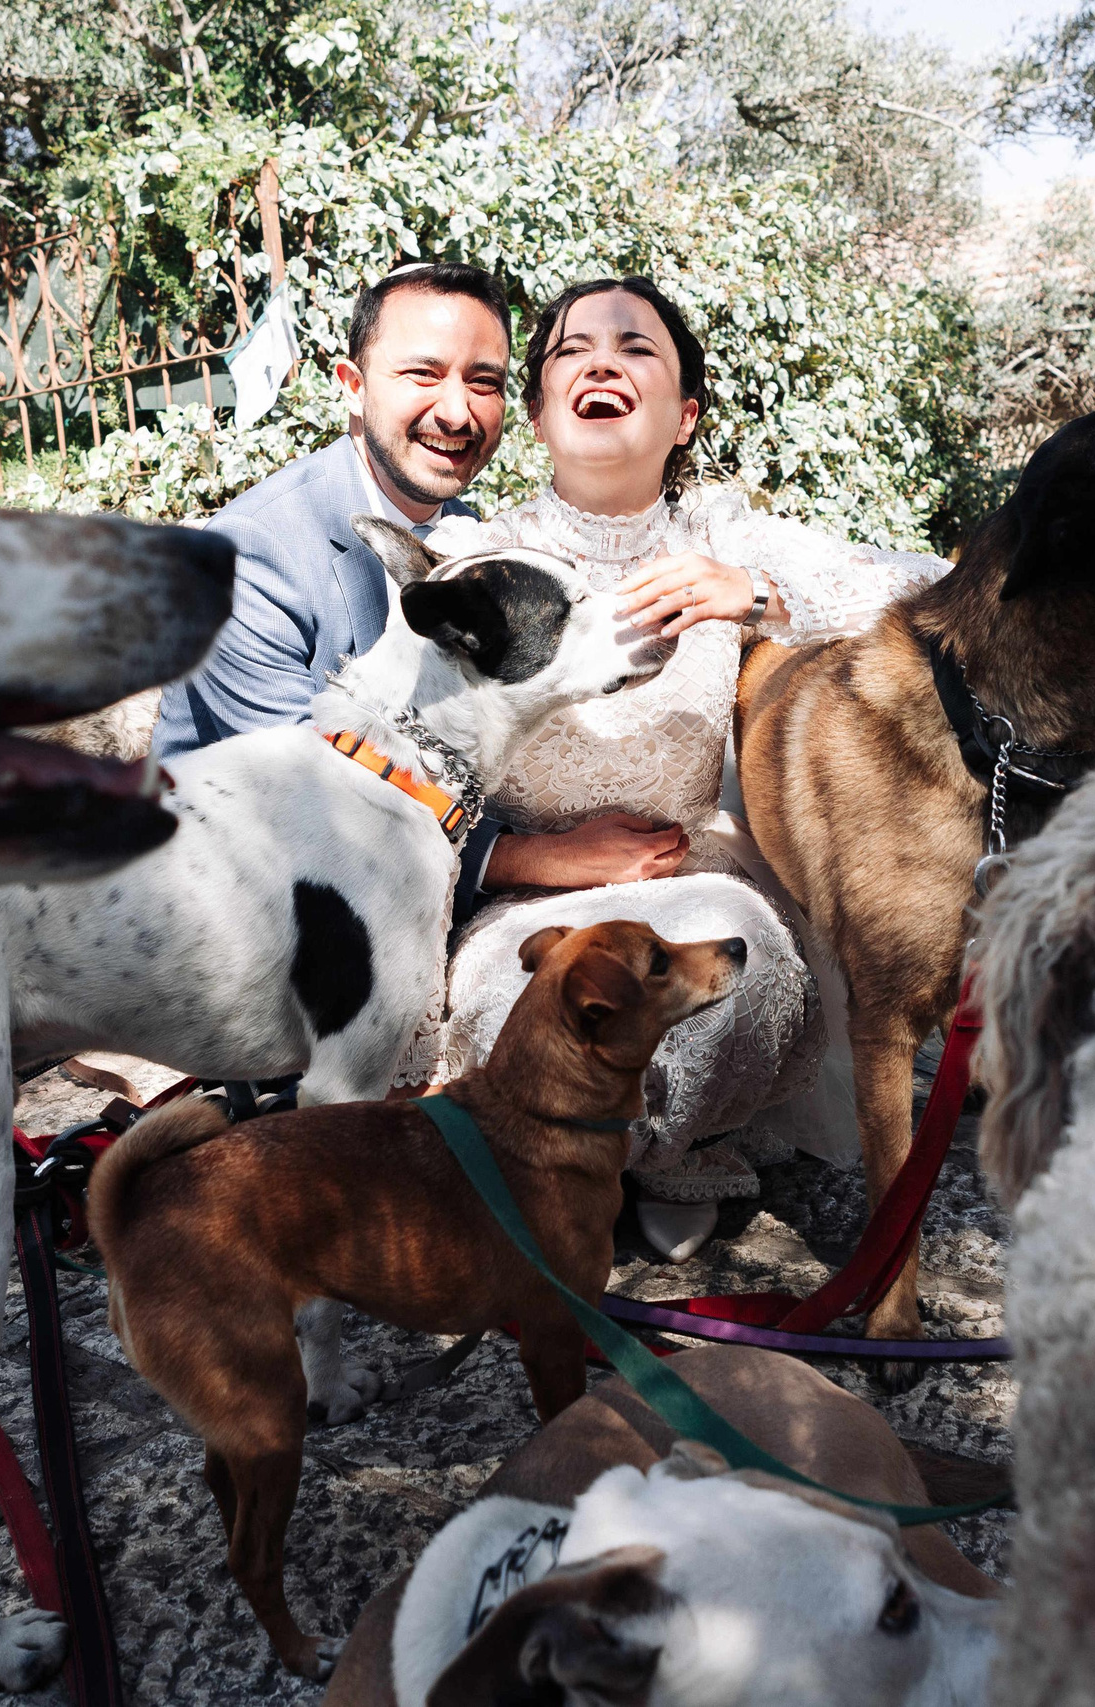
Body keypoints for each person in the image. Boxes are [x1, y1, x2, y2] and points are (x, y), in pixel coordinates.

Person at [415, 277, 949, 1261]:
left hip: (696, 884)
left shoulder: (721, 538)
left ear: (683, 414)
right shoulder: (476, 562)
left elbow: (938, 586)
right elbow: (391, 758)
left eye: (636, 347)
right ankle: (589, 1165)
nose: (602, 361)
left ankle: (657, 1151)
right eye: (570, 350)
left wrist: (756, 594)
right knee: (526, 1010)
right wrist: (531, 860)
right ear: (535, 412)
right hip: (523, 904)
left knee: (732, 978)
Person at [152, 261, 516, 918]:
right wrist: (530, 858)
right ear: (352, 385)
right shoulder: (249, 550)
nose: (458, 411)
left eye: (483, 382)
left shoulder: (469, 535)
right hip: (243, 917)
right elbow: (322, 804)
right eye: (423, 374)